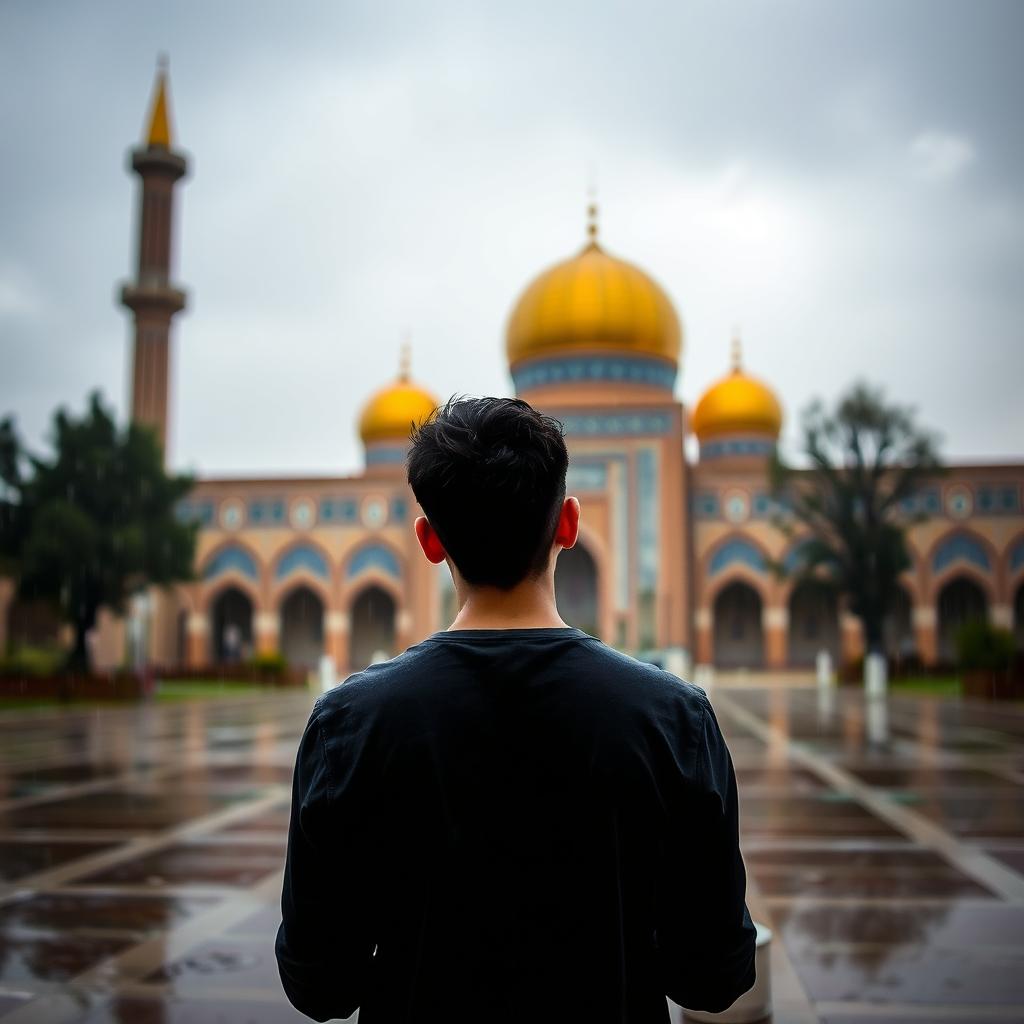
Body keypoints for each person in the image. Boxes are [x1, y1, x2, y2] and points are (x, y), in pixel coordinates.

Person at [276, 397, 756, 1023]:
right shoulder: (671, 719)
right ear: (568, 523)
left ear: (428, 540)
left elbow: (321, 984)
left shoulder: (350, 725)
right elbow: (713, 976)